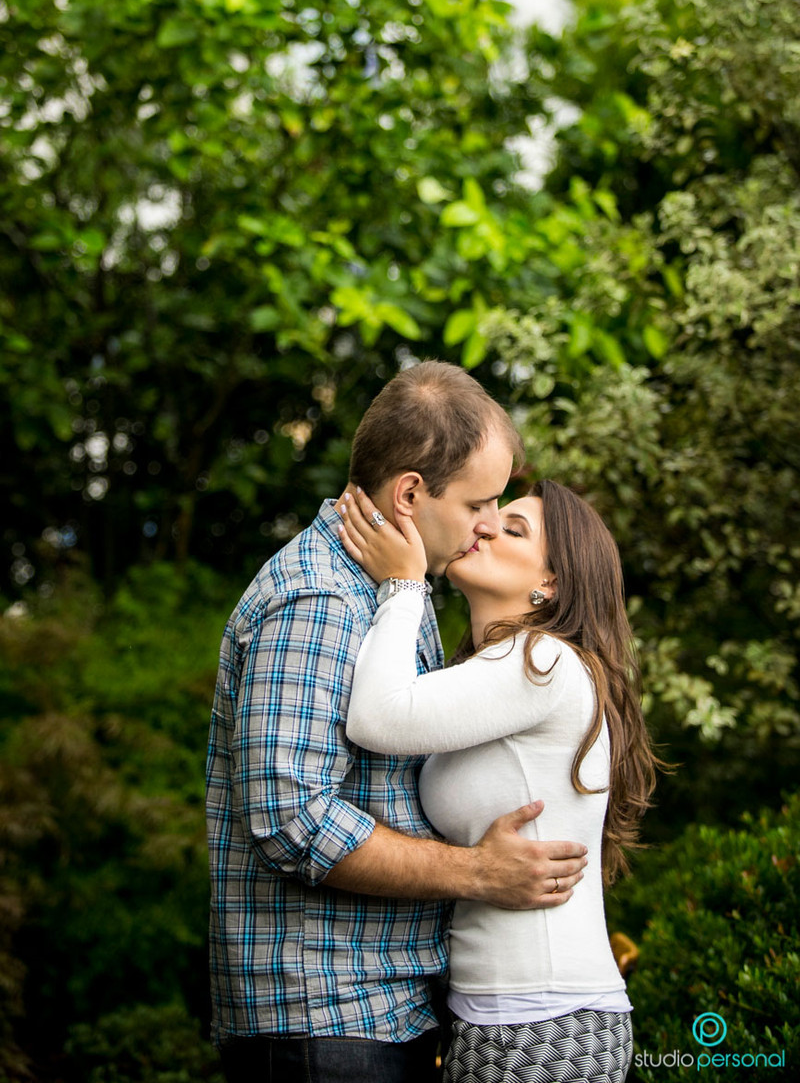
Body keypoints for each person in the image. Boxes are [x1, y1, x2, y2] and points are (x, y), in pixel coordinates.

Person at [206, 362, 590, 1083]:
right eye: (479, 502)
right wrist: (478, 872)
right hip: (325, 1017)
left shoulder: (384, 591)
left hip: (378, 1011)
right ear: (410, 493)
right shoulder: (320, 599)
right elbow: (291, 818)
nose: (487, 524)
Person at [338, 478, 662, 1083]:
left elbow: (377, 717)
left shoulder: (543, 661)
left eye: (514, 529)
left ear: (552, 583)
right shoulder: (496, 670)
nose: (485, 526)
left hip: (546, 1021)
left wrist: (404, 586)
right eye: (488, 514)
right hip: (494, 1016)